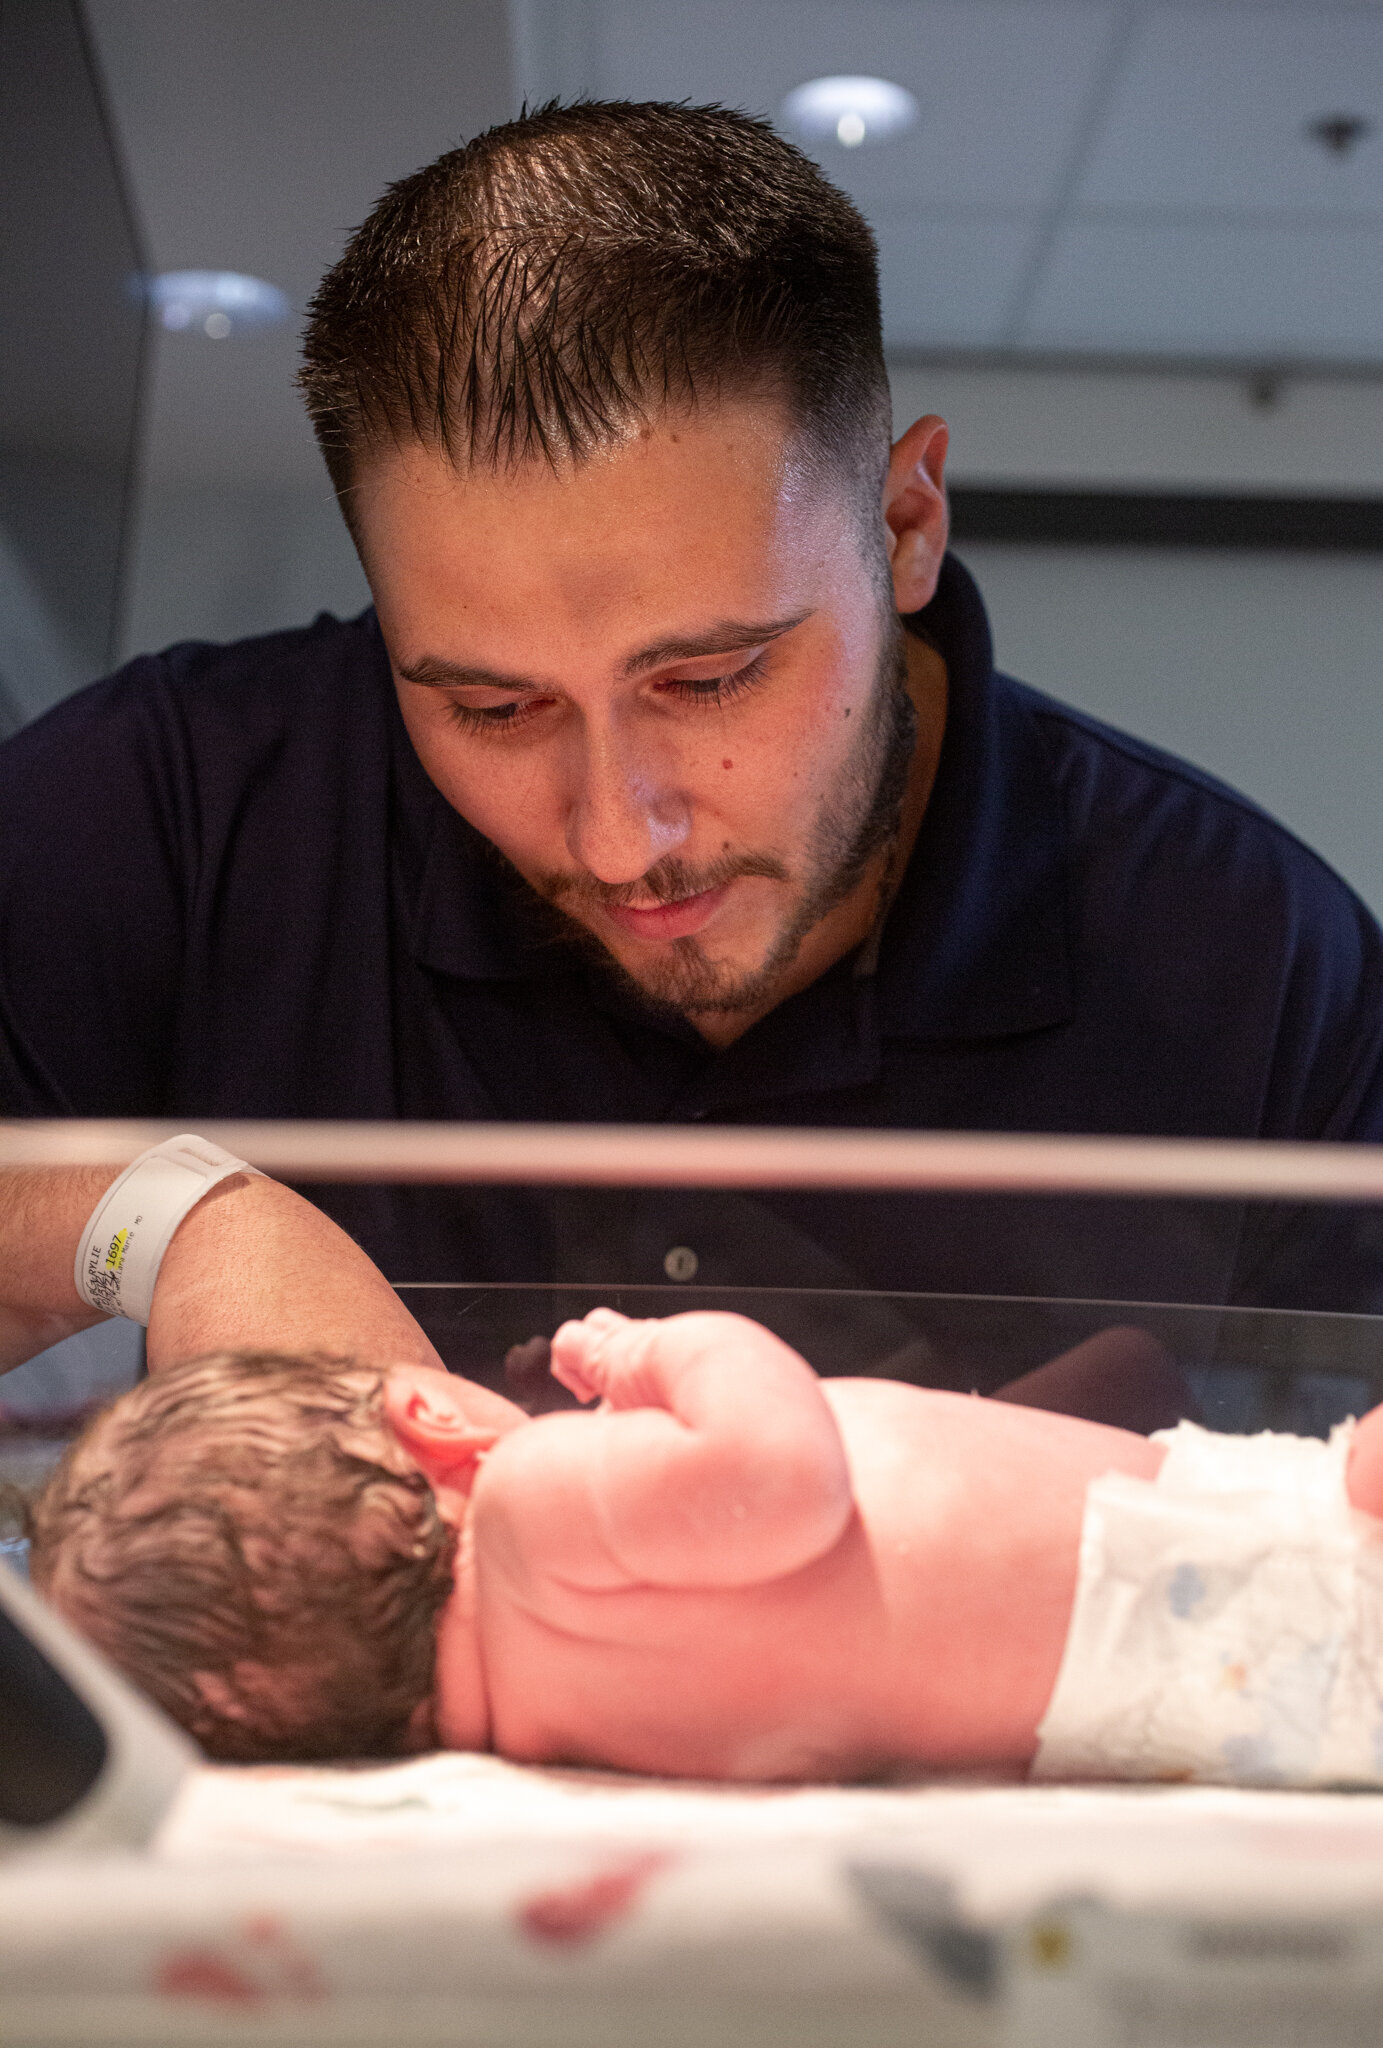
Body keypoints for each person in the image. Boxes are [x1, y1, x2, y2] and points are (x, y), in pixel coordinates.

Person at [4, 99, 1383, 1403]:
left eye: (711, 679)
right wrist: (168, 1220)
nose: (619, 837)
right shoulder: (189, 802)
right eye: (493, 710)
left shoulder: (1257, 963)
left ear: (905, 526)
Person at [29, 1308, 1383, 1786]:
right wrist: (661, 1349)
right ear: (428, 1420)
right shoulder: (533, 1507)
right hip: (1235, 1549)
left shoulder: (550, 1733)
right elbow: (781, 1479)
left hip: (1217, 1687)